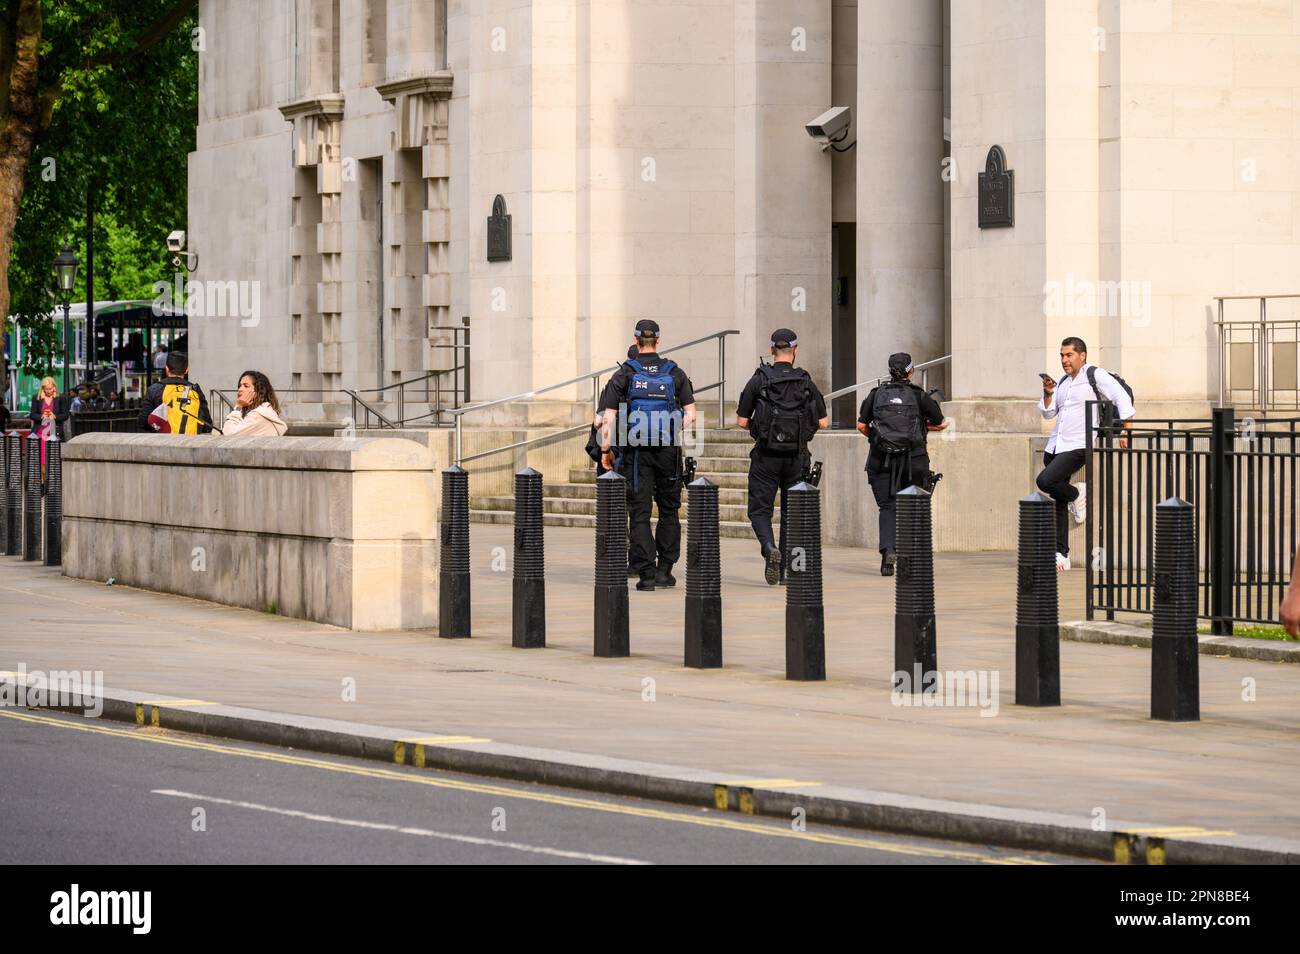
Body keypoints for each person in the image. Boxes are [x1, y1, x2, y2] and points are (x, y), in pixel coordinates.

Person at [598, 320, 697, 592]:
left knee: (639, 513)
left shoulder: (625, 374)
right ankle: (665, 571)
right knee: (669, 510)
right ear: (658, 340)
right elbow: (691, 413)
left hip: (636, 453)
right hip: (668, 452)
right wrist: (672, 426)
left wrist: (606, 450)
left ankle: (646, 574)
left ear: (636, 339)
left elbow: (608, 418)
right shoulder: (674, 373)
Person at [736, 328, 829, 585]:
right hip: (797, 457)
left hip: (766, 456)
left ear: (771, 350)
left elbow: (742, 421)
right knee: (793, 513)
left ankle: (769, 548)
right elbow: (824, 422)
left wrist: (762, 427)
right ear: (795, 350)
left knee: (759, 510)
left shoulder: (759, 379)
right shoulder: (805, 381)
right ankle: (788, 569)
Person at [1037, 336, 1135, 572]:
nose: (1064, 360)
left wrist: (1127, 432)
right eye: (1062, 355)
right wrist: (1048, 392)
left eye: (1069, 355)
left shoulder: (1095, 375)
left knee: (1045, 481)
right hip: (1056, 445)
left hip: (1079, 445)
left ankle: (1076, 493)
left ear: (1082, 355)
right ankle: (1061, 554)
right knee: (1056, 497)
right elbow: (1049, 414)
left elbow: (1121, 396)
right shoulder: (1062, 381)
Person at [858, 353, 947, 576]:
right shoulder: (919, 396)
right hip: (913, 460)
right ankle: (913, 561)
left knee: (887, 507)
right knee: (914, 509)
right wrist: (922, 428)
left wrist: (877, 439)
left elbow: (861, 425)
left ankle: (888, 551)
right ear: (911, 371)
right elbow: (942, 423)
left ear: (889, 371)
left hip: (881, 460)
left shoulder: (876, 394)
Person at [138, 352, 212, 434]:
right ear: (186, 370)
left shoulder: (154, 389)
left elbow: (143, 422)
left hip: (163, 442)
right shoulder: (195, 390)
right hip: (189, 442)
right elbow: (207, 425)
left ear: (167, 369)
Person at [222, 371, 287, 436]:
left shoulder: (258, 415)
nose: (240, 389)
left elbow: (228, 434)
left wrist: (238, 407)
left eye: (246, 386)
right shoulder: (264, 411)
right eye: (240, 386)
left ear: (258, 391)